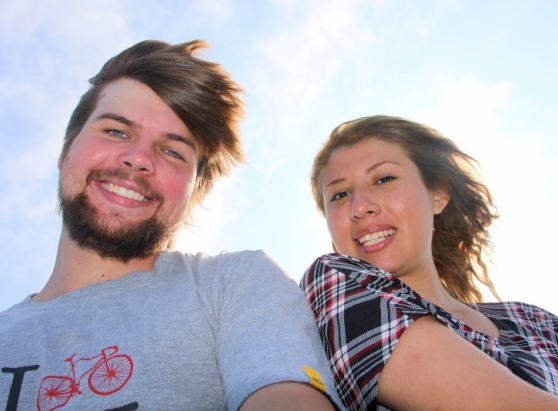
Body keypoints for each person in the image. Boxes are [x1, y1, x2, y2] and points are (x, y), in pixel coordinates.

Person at [0, 40, 344, 411]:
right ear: (65, 149)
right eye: (116, 131)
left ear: (192, 192)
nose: (138, 158)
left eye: (172, 151)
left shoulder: (233, 284)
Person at [301, 115, 558, 410]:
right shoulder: (329, 283)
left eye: (384, 179)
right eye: (340, 194)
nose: (359, 206)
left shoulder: (534, 320)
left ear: (438, 193)